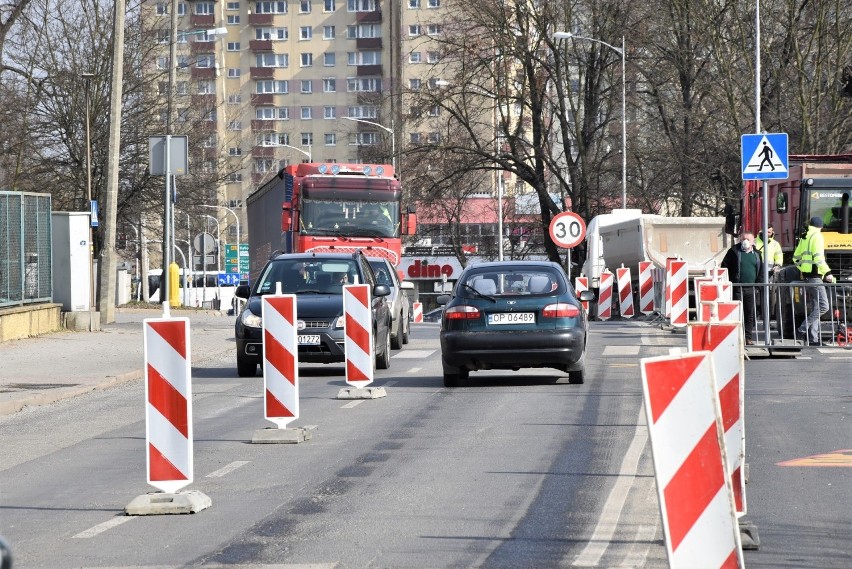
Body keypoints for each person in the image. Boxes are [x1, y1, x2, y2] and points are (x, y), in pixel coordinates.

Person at [792, 216, 835, 344]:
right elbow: (818, 258)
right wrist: (827, 272)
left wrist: (804, 268)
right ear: (821, 226)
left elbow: (795, 258)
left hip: (807, 277)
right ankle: (802, 329)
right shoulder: (817, 236)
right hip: (816, 277)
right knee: (824, 306)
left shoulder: (805, 236)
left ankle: (813, 338)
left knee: (816, 307)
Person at [721, 232, 764, 345]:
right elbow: (724, 266)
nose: (745, 241)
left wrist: (758, 286)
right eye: (744, 239)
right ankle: (736, 337)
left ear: (753, 241)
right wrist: (730, 282)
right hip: (737, 288)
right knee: (737, 313)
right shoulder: (733, 252)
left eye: (748, 239)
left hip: (751, 288)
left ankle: (748, 337)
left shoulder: (757, 254)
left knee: (749, 314)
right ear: (740, 239)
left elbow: (761, 271)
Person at [755, 224, 784, 317]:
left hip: (769, 273)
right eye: (765, 231)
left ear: (772, 232)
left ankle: (768, 318)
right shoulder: (755, 242)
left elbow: (779, 257)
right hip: (756, 273)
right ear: (761, 231)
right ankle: (756, 315)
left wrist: (777, 265)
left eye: (769, 232)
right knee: (755, 295)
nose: (767, 234)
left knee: (769, 296)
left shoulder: (775, 244)